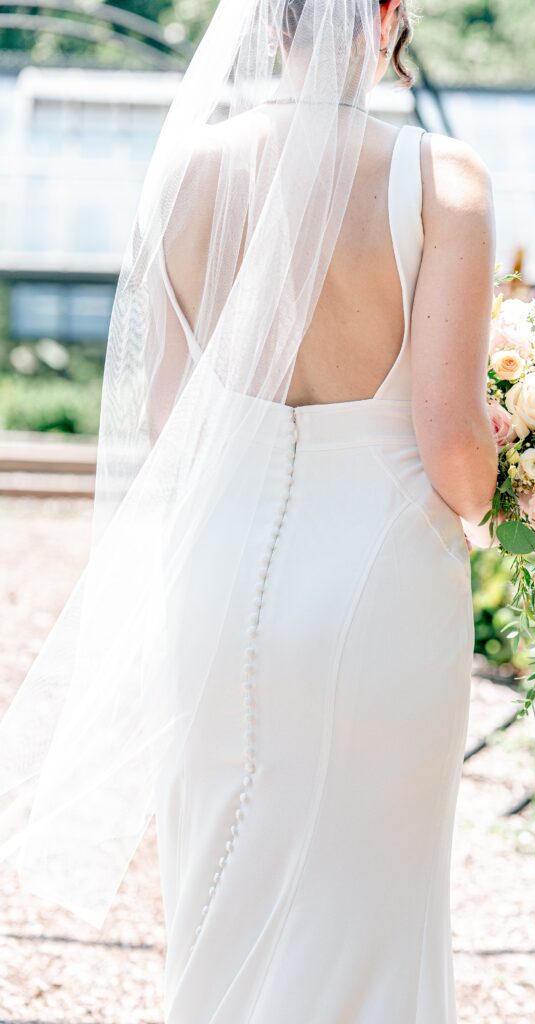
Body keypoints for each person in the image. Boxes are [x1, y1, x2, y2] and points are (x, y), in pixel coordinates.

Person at [0, 1, 497, 1020]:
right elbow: (452, 443)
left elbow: (170, 416)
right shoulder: (442, 181)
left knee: (219, 891)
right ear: (389, 14)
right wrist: (519, 485)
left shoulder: (186, 175)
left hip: (217, 580)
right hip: (379, 585)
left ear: (265, 24)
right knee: (374, 895)